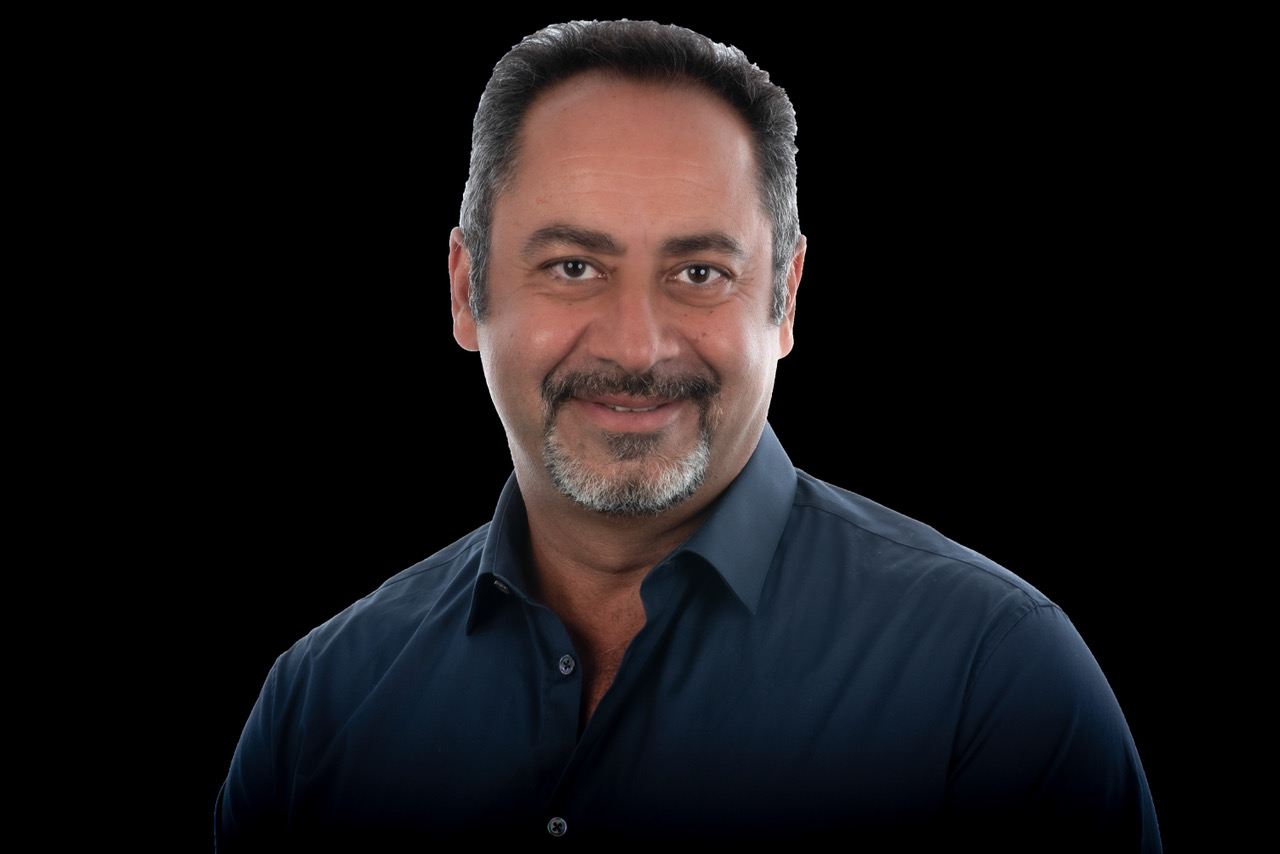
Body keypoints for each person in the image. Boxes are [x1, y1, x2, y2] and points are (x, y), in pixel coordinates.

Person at [216, 20, 1160, 849]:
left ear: (786, 299)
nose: (637, 348)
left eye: (700, 273)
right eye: (574, 265)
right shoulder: (318, 707)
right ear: (467, 291)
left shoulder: (996, 680)